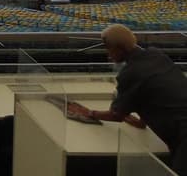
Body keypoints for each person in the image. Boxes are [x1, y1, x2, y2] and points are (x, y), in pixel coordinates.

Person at [70, 24, 187, 175]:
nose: (108, 55)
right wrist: (141, 121)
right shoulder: (157, 55)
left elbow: (116, 115)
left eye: (109, 49)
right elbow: (156, 92)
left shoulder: (130, 73)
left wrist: (90, 113)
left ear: (119, 48)